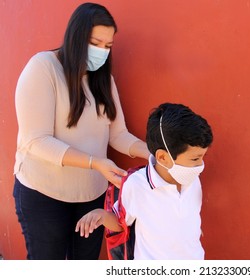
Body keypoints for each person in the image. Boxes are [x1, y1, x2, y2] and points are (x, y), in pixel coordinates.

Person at [13, 2, 150, 260]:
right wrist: (94, 162)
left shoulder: (104, 81)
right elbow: (36, 140)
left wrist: (154, 154)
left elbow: (118, 135)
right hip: (44, 193)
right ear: (76, 36)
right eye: (95, 42)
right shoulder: (43, 67)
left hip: (91, 194)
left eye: (107, 46)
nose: (101, 52)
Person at [75, 103, 214, 260]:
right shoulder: (136, 185)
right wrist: (101, 215)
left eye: (203, 157)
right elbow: (121, 223)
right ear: (162, 157)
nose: (200, 165)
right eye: (195, 159)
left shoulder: (192, 178)